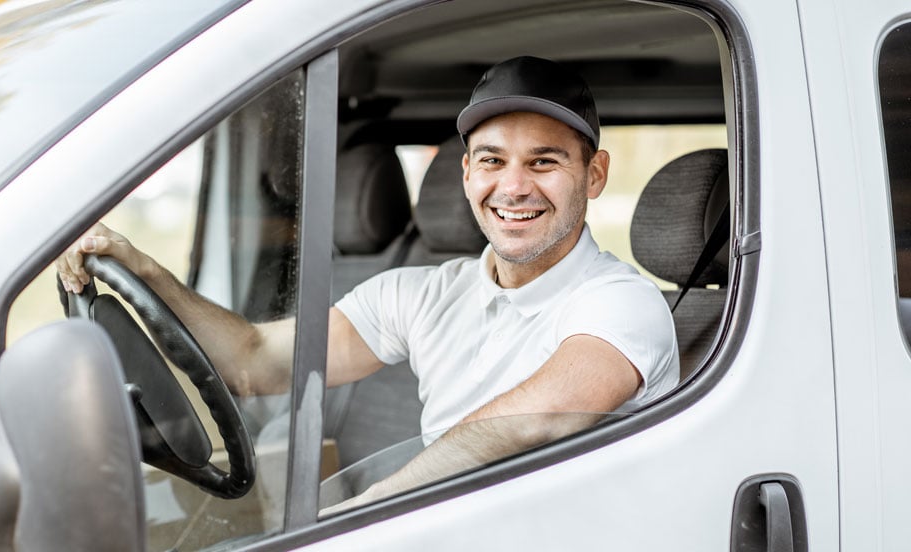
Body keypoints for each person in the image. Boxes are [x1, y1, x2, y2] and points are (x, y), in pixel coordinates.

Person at [57, 56, 678, 514]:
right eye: (492, 159)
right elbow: (252, 362)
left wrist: (362, 519)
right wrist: (144, 269)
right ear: (466, 174)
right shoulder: (421, 293)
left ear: (594, 175)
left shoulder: (622, 302)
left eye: (544, 161)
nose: (513, 187)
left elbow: (521, 427)